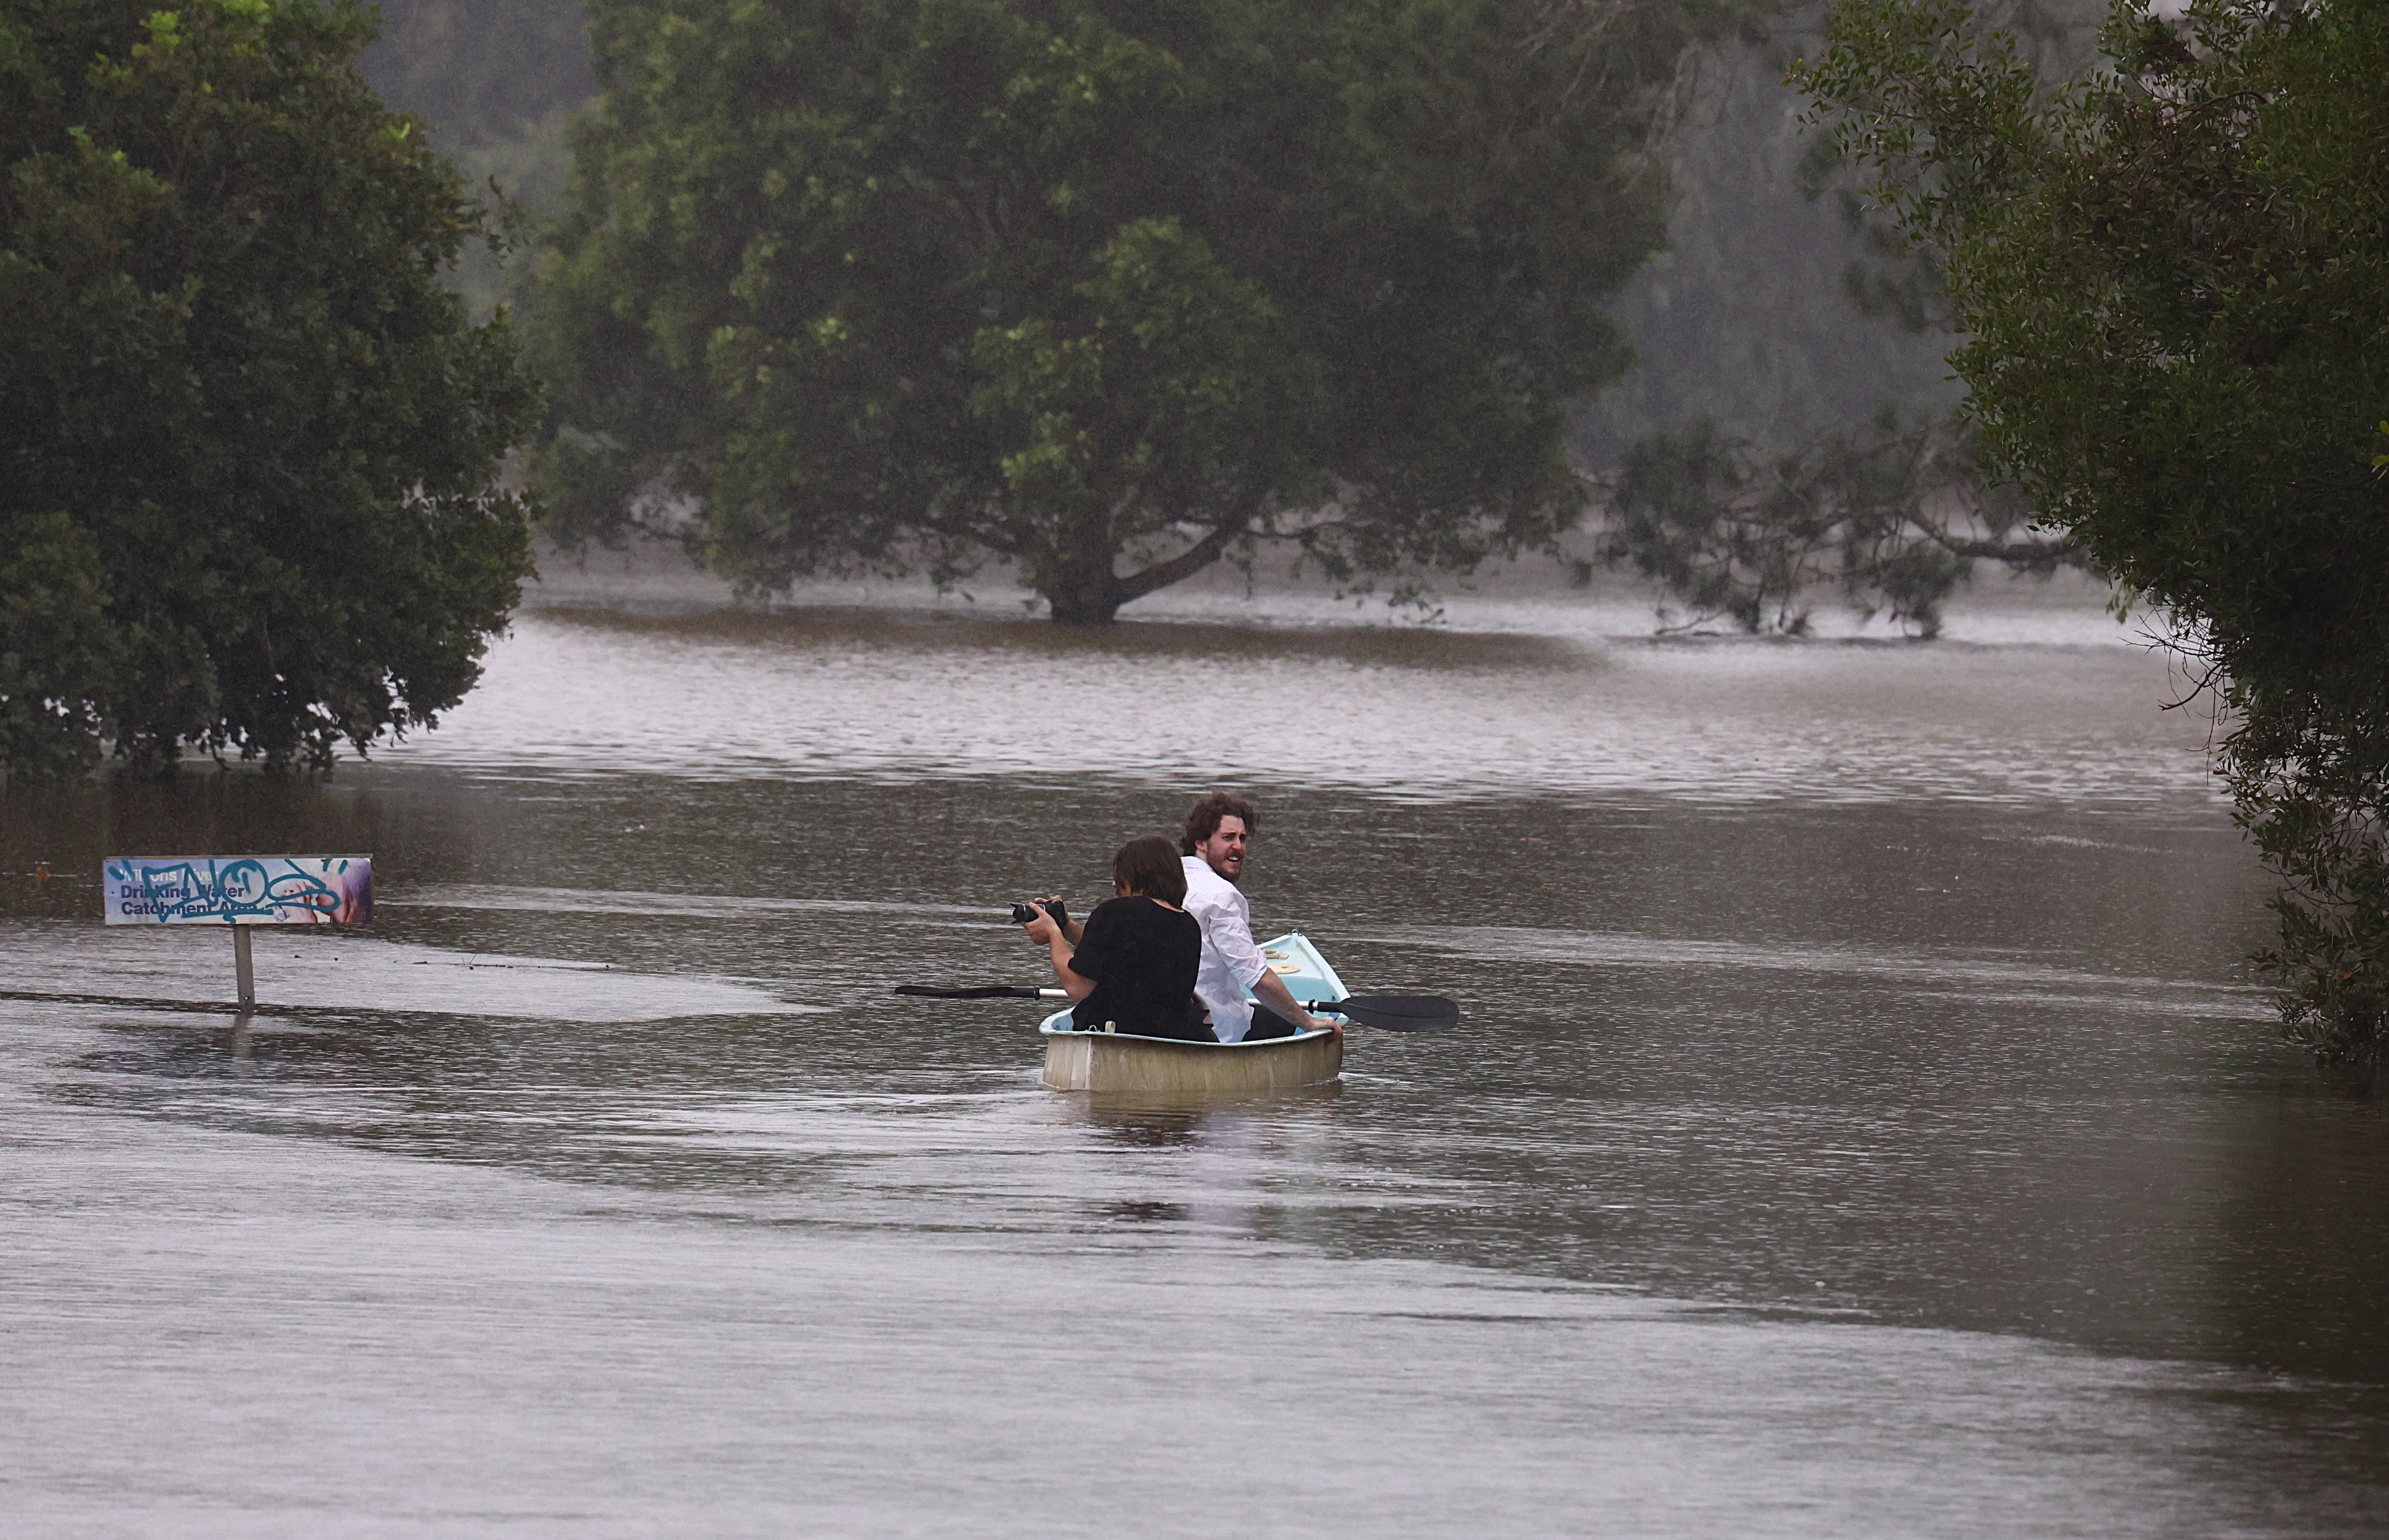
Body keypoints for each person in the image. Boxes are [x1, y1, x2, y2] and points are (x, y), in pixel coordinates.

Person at [1178, 793, 1337, 1043]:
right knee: (1287, 1021)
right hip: (1214, 1027)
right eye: (1228, 838)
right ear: (1201, 842)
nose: (1238, 847)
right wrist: (1309, 1022)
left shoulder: (1167, 878)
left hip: (1165, 1019)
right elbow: (1257, 979)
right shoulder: (1222, 896)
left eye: (1242, 839)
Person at [1021, 836, 1209, 1041]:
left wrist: (1053, 934)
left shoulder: (1115, 912)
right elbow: (1121, 955)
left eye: (1120, 876)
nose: (1114, 884)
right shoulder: (1188, 924)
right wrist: (1067, 927)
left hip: (1117, 1039)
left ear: (1137, 877)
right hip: (1177, 1040)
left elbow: (1077, 988)